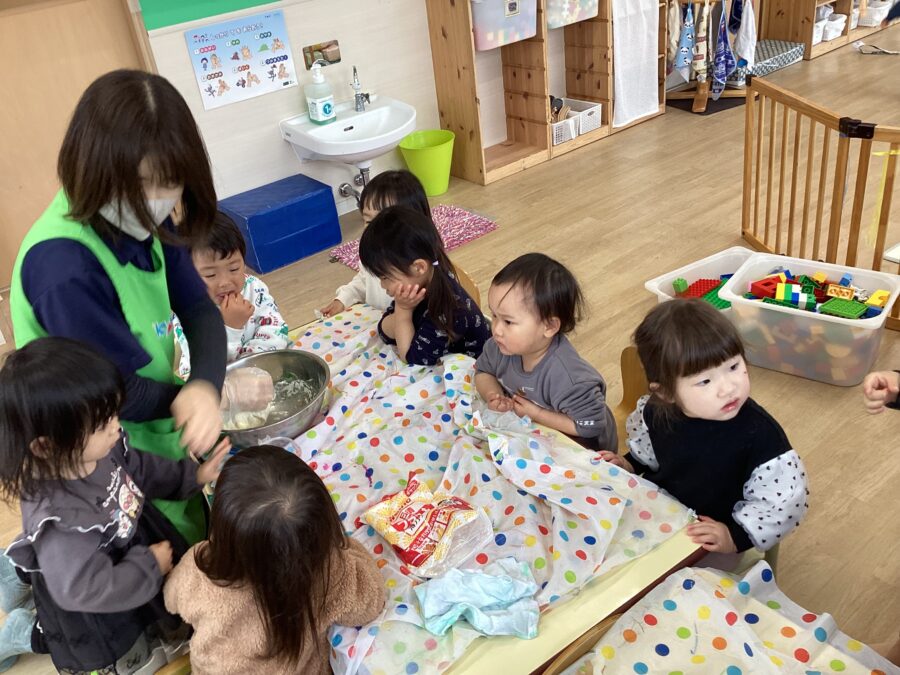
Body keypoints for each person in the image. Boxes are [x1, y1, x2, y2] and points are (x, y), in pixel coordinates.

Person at [9, 69, 228, 544]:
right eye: (138, 184)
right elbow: (118, 394)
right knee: (149, 560)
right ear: (93, 168)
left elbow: (198, 309)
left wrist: (207, 385)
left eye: (167, 182)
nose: (154, 201)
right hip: (99, 459)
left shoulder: (146, 220)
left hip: (152, 423)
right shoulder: (65, 270)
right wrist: (191, 398)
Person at [0, 339, 230, 673]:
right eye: (101, 423)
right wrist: (147, 567)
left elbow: (140, 469)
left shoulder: (97, 449)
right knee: (122, 651)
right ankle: (22, 632)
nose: (116, 426)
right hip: (99, 601)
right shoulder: (61, 524)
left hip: (124, 549)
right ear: (46, 447)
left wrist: (193, 476)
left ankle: (11, 575)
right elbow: (87, 590)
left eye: (112, 412)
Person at [600, 299, 809, 557]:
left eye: (733, 367)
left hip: (715, 535)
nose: (728, 388)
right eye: (705, 381)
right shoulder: (655, 411)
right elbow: (648, 450)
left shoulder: (761, 436)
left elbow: (782, 504)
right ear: (666, 392)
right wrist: (630, 463)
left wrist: (733, 536)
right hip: (662, 512)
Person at [164, 445, 385, 674]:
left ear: (221, 524)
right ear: (323, 526)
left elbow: (171, 599)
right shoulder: (329, 570)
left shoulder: (200, 565)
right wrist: (339, 548)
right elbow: (373, 601)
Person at [475, 253, 618, 451]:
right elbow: (483, 371)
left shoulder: (568, 378)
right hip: (534, 435)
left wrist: (537, 414)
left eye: (508, 321)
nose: (496, 329)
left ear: (549, 326)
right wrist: (493, 394)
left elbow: (589, 426)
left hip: (584, 447)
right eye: (494, 315)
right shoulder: (499, 346)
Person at [358, 206, 489, 366]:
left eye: (385, 277)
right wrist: (402, 313)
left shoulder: (448, 309)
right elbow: (384, 331)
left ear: (419, 267)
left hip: (473, 370)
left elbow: (412, 357)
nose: (382, 285)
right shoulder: (416, 286)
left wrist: (403, 312)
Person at [174, 212, 291, 379]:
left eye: (234, 268)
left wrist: (251, 362)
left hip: (259, 367)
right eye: (210, 275)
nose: (225, 282)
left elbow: (276, 329)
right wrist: (230, 327)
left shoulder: (253, 288)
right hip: (218, 384)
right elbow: (203, 367)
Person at [320, 170, 431, 317]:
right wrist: (343, 299)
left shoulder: (418, 268)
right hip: (378, 323)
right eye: (368, 221)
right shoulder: (373, 253)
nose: (373, 230)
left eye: (385, 222)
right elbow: (364, 280)